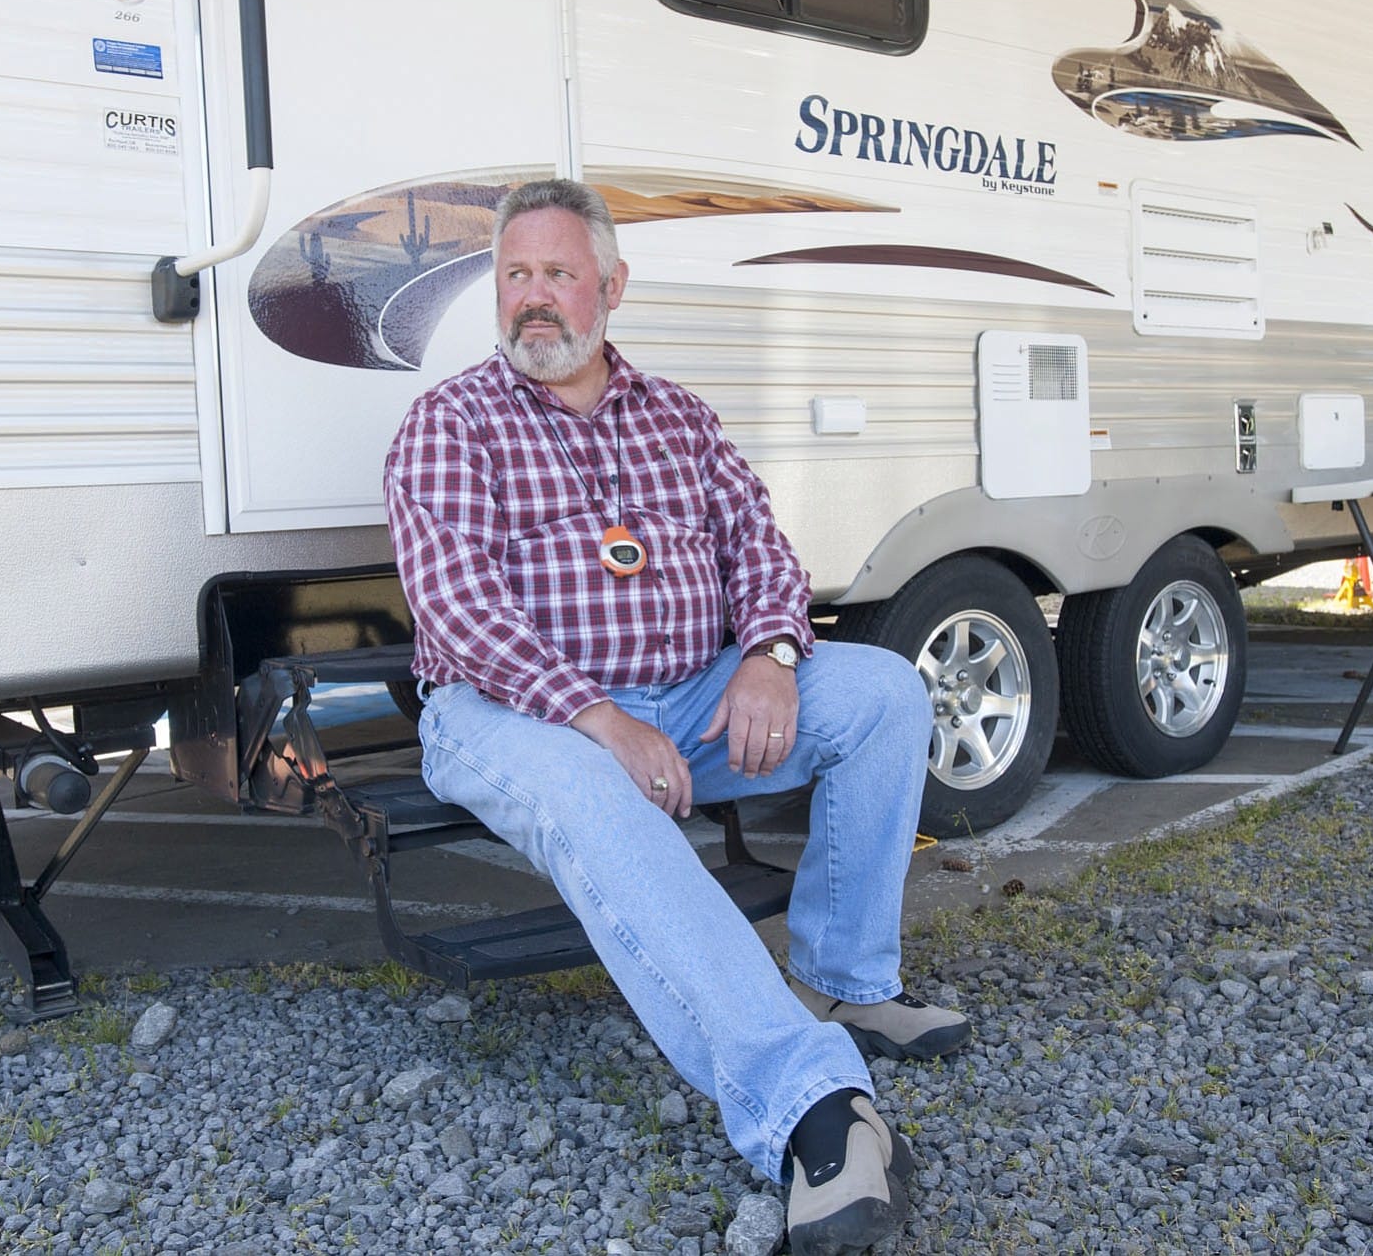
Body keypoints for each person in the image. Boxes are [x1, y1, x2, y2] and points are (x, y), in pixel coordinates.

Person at [382, 178, 970, 1254]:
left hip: (691, 695)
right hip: (508, 711)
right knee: (585, 781)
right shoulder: (449, 422)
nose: (533, 299)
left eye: (557, 273)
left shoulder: (678, 416)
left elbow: (763, 554)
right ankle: (810, 1106)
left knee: (883, 690)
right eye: (514, 275)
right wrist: (601, 718)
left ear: (610, 285)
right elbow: (458, 611)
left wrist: (772, 655)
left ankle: (845, 984)